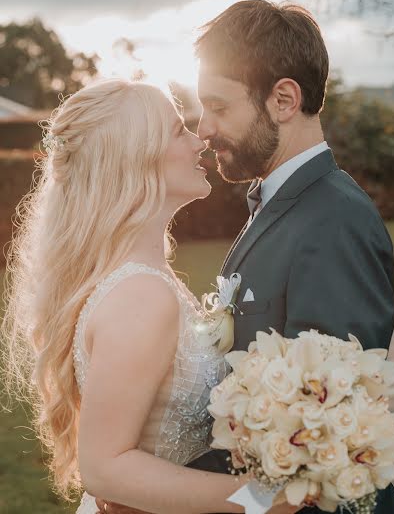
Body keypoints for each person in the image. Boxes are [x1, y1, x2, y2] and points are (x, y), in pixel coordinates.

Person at [96, 1, 394, 514]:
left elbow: (320, 444)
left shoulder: (333, 225)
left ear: (284, 99)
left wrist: (152, 490)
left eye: (219, 107)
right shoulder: (280, 205)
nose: (205, 129)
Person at [2, 79, 299, 514]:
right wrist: (260, 499)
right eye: (178, 130)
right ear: (135, 157)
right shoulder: (141, 294)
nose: (199, 141)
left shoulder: (140, 279)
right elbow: (105, 469)